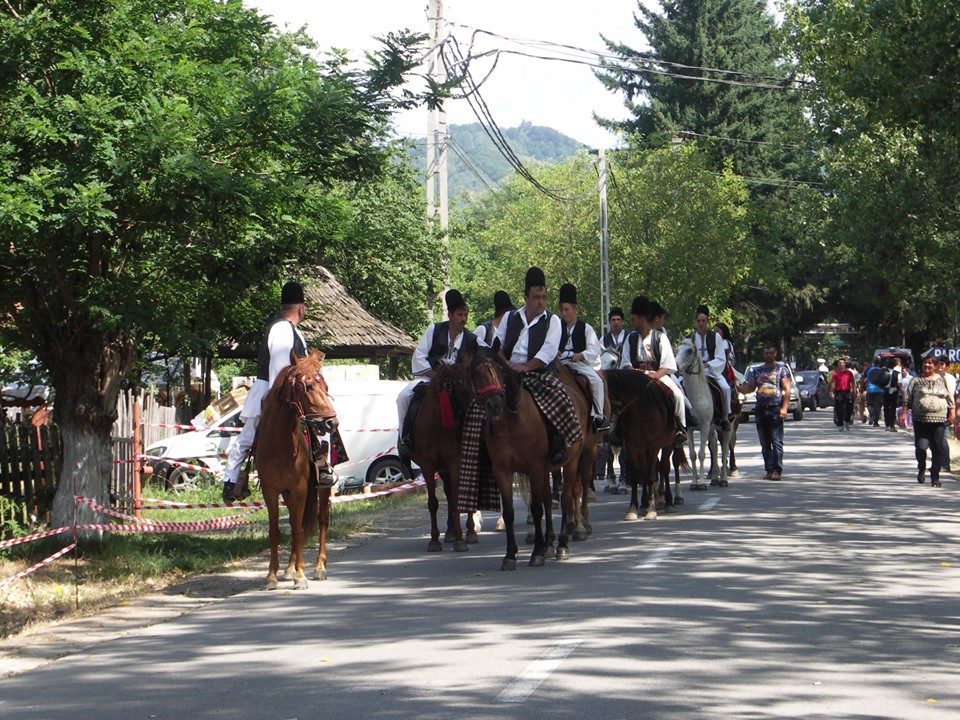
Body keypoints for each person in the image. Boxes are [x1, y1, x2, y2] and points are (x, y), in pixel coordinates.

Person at [221, 281, 309, 502]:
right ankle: (231, 481)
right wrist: (278, 401)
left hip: (288, 391)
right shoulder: (282, 329)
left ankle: (319, 468)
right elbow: (280, 370)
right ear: (301, 309)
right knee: (249, 436)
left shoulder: (294, 332)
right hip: (272, 390)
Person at [493, 267, 583, 463]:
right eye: (536, 298)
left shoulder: (553, 321)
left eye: (544, 297)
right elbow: (496, 345)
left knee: (560, 398)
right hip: (507, 372)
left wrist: (526, 367)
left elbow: (548, 351)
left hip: (539, 373)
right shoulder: (509, 317)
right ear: (526, 298)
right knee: (480, 399)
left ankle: (559, 443)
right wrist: (506, 364)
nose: (541, 302)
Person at [397, 289, 480, 458]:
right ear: (450, 315)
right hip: (430, 378)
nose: (464, 319)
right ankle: (404, 439)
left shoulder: (471, 338)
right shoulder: (434, 330)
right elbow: (419, 356)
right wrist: (434, 375)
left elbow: (482, 355)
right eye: (460, 315)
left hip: (458, 383)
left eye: (465, 315)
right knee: (403, 397)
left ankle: (477, 444)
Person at [618, 295, 687, 446]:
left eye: (633, 319)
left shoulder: (660, 338)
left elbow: (667, 365)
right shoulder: (630, 338)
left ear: (641, 319)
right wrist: (635, 372)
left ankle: (679, 429)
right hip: (634, 377)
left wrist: (655, 375)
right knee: (618, 397)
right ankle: (616, 431)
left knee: (678, 396)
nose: (631, 322)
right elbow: (625, 363)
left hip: (657, 376)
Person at [557, 283, 608, 431]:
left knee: (597, 381)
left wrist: (581, 355)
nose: (564, 313)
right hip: (559, 363)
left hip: (578, 364)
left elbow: (594, 349)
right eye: (562, 310)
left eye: (567, 309)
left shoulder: (586, 328)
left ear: (576, 309)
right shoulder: (556, 327)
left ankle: (598, 415)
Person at [737, 343, 791, 481]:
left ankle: (777, 470)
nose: (768, 355)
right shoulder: (757, 370)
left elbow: (787, 389)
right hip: (760, 408)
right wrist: (737, 386)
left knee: (776, 441)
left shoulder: (781, 369)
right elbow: (750, 388)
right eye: (766, 353)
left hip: (775, 408)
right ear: (763, 354)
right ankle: (769, 469)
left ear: (775, 354)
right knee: (765, 443)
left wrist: (784, 407)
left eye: (770, 353)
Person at [906, 354, 955, 487]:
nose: (927, 365)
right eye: (925, 363)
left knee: (938, 448)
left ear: (935, 366)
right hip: (920, 419)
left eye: (930, 363)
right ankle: (921, 467)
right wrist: (903, 414)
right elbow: (907, 398)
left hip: (939, 420)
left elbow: (950, 398)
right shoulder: (916, 380)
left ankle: (935, 476)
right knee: (921, 447)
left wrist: (952, 414)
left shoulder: (943, 380)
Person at [689, 305, 732, 431]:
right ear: (695, 322)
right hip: (694, 371)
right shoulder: (691, 338)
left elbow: (721, 357)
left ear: (707, 321)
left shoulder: (715, 337)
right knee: (680, 386)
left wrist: (707, 364)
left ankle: (724, 417)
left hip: (711, 370)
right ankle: (685, 417)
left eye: (703, 321)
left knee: (725, 388)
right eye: (698, 321)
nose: (701, 323)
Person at [934, 353, 956, 474]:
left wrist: (953, 413)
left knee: (942, 439)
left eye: (942, 364)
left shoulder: (949, 379)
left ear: (947, 366)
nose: (939, 366)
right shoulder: (932, 377)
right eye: (938, 364)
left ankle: (945, 464)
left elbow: (950, 396)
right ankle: (937, 463)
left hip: (946, 411)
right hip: (933, 412)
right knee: (934, 439)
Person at [829, 357, 856, 431]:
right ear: (838, 364)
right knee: (839, 409)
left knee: (849, 408)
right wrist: (831, 392)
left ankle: (846, 421)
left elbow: (853, 382)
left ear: (845, 364)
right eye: (840, 363)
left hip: (847, 392)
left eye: (842, 363)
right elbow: (833, 383)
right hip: (839, 392)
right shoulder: (835, 374)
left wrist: (854, 391)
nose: (841, 364)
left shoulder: (849, 373)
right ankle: (841, 424)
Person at [882, 356, 903, 432]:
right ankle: (891, 425)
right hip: (894, 390)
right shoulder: (897, 373)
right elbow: (899, 383)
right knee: (893, 408)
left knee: (886, 407)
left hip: (885, 390)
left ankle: (887, 424)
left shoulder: (884, 372)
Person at [864, 356, 886, 426]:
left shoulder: (868, 369)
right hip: (879, 390)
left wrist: (861, 387)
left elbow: (863, 378)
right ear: (879, 363)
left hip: (870, 390)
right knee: (877, 406)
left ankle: (871, 414)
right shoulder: (881, 370)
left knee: (869, 404)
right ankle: (875, 422)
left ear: (873, 362)